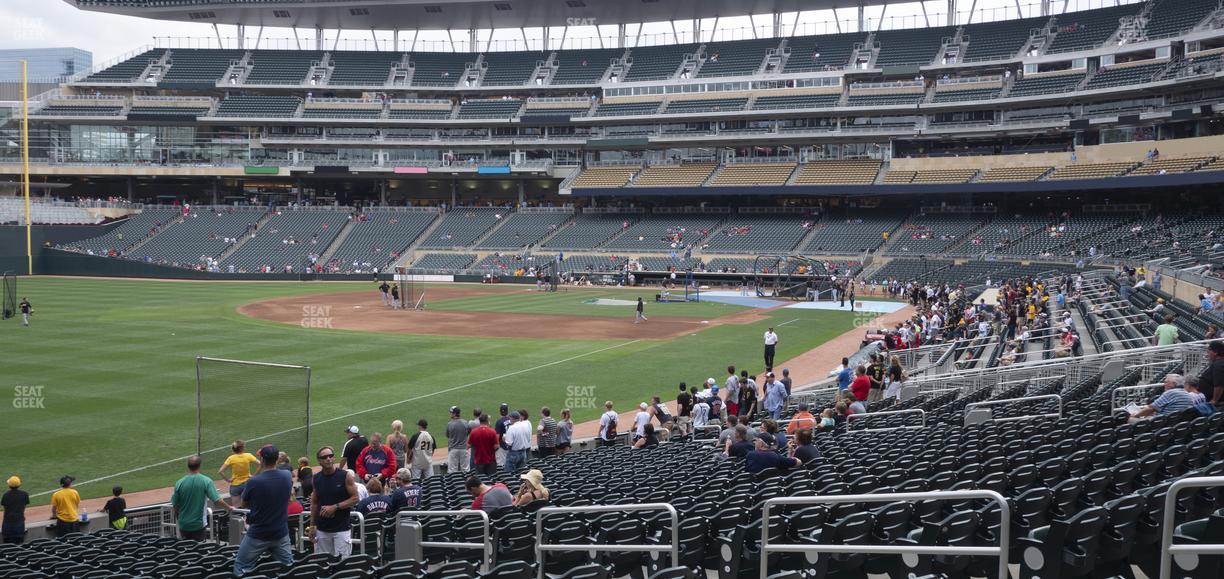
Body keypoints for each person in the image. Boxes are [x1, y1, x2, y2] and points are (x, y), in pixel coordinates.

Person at [233, 445, 294, 577]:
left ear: (261, 459)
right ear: (277, 459)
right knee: (288, 567)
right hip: (280, 532)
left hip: (258, 533)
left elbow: (244, 504)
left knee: (241, 567)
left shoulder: (254, 481)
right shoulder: (286, 475)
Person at [310, 445, 360, 557]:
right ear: (319, 461)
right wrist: (312, 526)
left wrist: (335, 507)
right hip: (322, 529)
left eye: (330, 456)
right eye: (324, 457)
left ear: (334, 458)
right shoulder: (316, 478)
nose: (328, 459)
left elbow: (355, 498)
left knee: (342, 566)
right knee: (323, 564)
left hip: (341, 529)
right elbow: (314, 503)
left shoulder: (345, 476)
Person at [172, 456, 233, 540]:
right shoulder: (206, 481)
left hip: (183, 524)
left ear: (188, 466)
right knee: (197, 549)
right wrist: (229, 507)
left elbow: (175, 505)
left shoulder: (179, 483)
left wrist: (180, 519)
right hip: (198, 525)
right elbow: (216, 500)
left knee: (185, 548)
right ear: (199, 466)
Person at [1131, 374, 1198, 419]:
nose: (1164, 384)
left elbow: (1150, 409)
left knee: (1129, 419)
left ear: (1174, 384)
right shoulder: (1187, 394)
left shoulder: (1170, 393)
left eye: (1166, 382)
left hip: (1162, 423)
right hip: (1174, 423)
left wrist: (1135, 415)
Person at [219, 440, 259, 507]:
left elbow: (220, 471)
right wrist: (254, 476)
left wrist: (228, 480)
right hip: (248, 484)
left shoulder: (231, 458)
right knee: (251, 506)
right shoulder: (248, 455)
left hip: (235, 486)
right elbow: (260, 464)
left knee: (237, 509)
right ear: (242, 448)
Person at [2, 476, 29, 544]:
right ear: (19, 485)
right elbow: (24, 507)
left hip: (7, 522)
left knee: (7, 544)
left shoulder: (5, 495)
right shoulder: (24, 494)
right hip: (19, 521)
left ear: (9, 485)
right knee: (19, 544)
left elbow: (5, 508)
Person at [1197, 341, 1224, 408]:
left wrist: (1214, 400)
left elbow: (1219, 385)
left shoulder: (1218, 365)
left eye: (1209, 351)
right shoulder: (1218, 363)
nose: (1207, 354)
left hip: (1214, 404)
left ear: (1215, 352)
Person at [445, 406, 470, 475]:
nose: (450, 414)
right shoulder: (465, 423)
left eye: (451, 413)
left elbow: (448, 435)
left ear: (455, 414)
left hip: (453, 449)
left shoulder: (449, 424)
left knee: (452, 471)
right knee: (465, 470)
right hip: (464, 449)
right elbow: (468, 432)